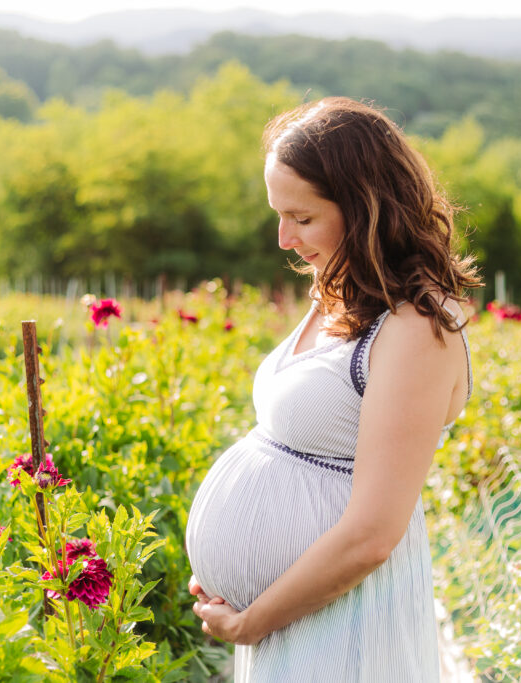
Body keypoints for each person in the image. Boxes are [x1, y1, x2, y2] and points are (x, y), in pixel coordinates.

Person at [185, 96, 480, 682]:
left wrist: (253, 620)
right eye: (278, 214)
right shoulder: (338, 288)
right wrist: (233, 570)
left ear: (366, 208)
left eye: (302, 217)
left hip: (343, 624)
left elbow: (372, 535)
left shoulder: (417, 328)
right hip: (291, 615)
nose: (282, 239)